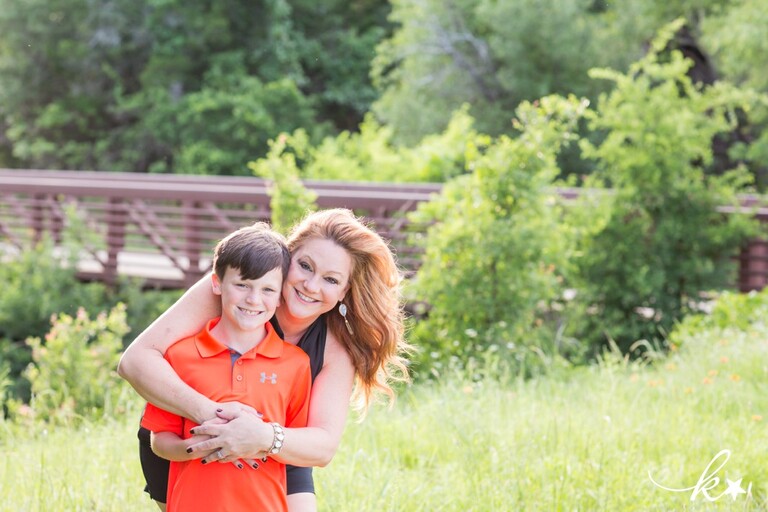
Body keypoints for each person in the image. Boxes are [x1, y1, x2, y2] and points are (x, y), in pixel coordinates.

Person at [118, 208, 412, 512]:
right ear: (286, 259)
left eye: (330, 279)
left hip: (279, 451)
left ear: (343, 291)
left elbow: (323, 445)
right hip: (185, 440)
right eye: (305, 266)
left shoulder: (336, 350)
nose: (311, 285)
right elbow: (135, 361)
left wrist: (261, 436)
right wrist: (212, 415)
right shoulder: (235, 288)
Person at [141, 222, 312, 511]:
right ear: (218, 283)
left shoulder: (295, 364)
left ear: (282, 291)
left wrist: (261, 438)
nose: (253, 299)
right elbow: (160, 440)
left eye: (267, 289)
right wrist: (200, 447)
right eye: (242, 285)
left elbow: (296, 447)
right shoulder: (179, 356)